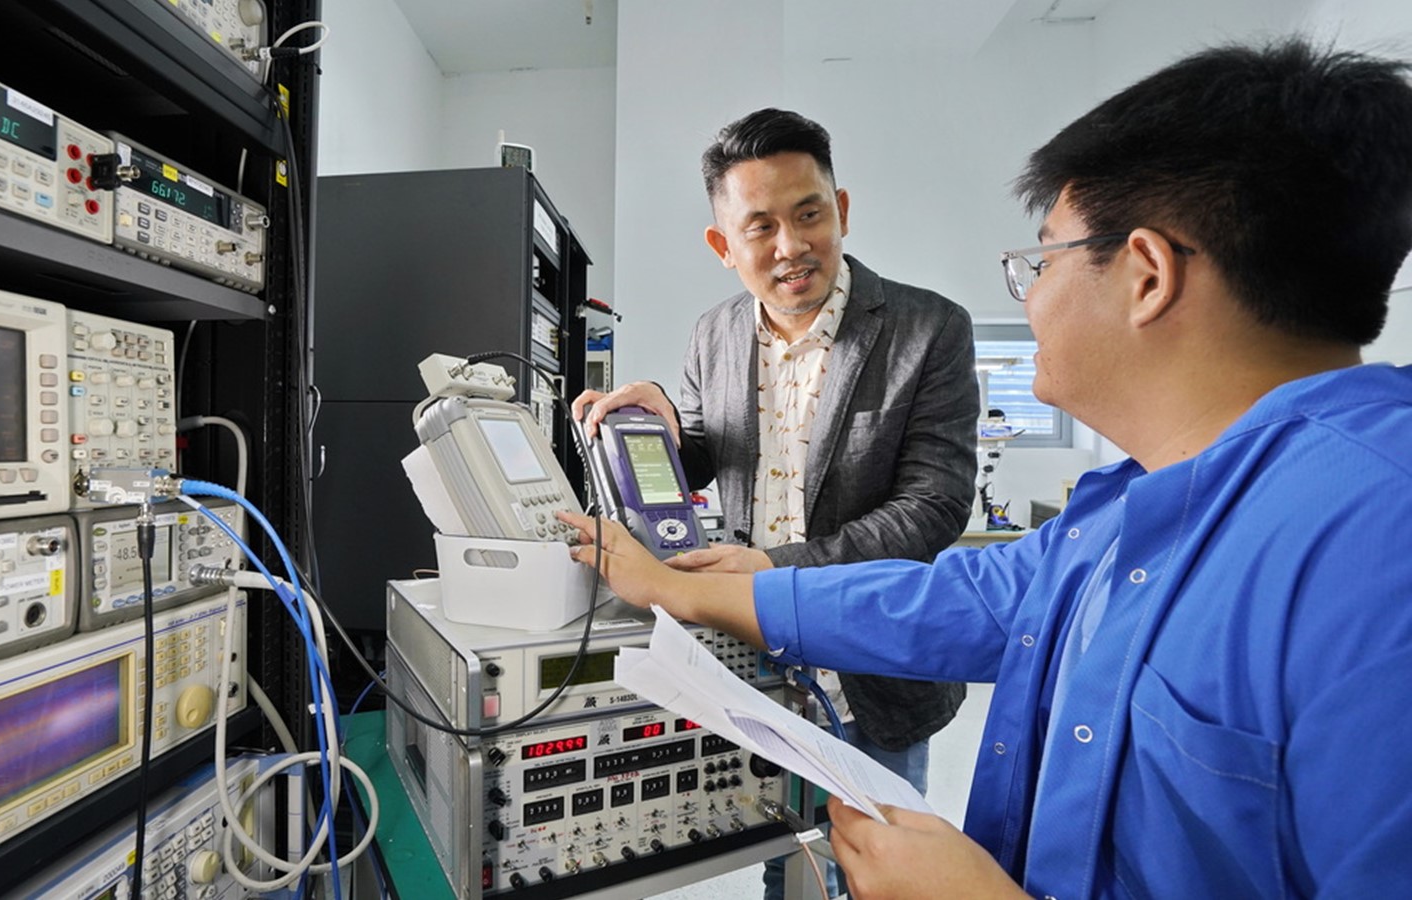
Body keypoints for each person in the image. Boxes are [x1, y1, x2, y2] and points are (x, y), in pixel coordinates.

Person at [560, 39, 1412, 898]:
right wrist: (683, 581)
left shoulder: (1381, 546)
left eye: (1042, 260)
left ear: (1147, 275)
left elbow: (932, 514)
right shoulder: (1129, 508)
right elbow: (953, 602)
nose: (1030, 293)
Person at [572, 108, 980, 897]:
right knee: (781, 864)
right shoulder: (714, 334)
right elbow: (703, 450)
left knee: (874, 875)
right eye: (760, 227)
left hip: (872, 673)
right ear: (724, 247)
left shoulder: (929, 330)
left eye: (809, 214)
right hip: (752, 670)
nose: (791, 247)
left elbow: (933, 507)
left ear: (843, 210)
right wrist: (651, 419)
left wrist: (769, 569)